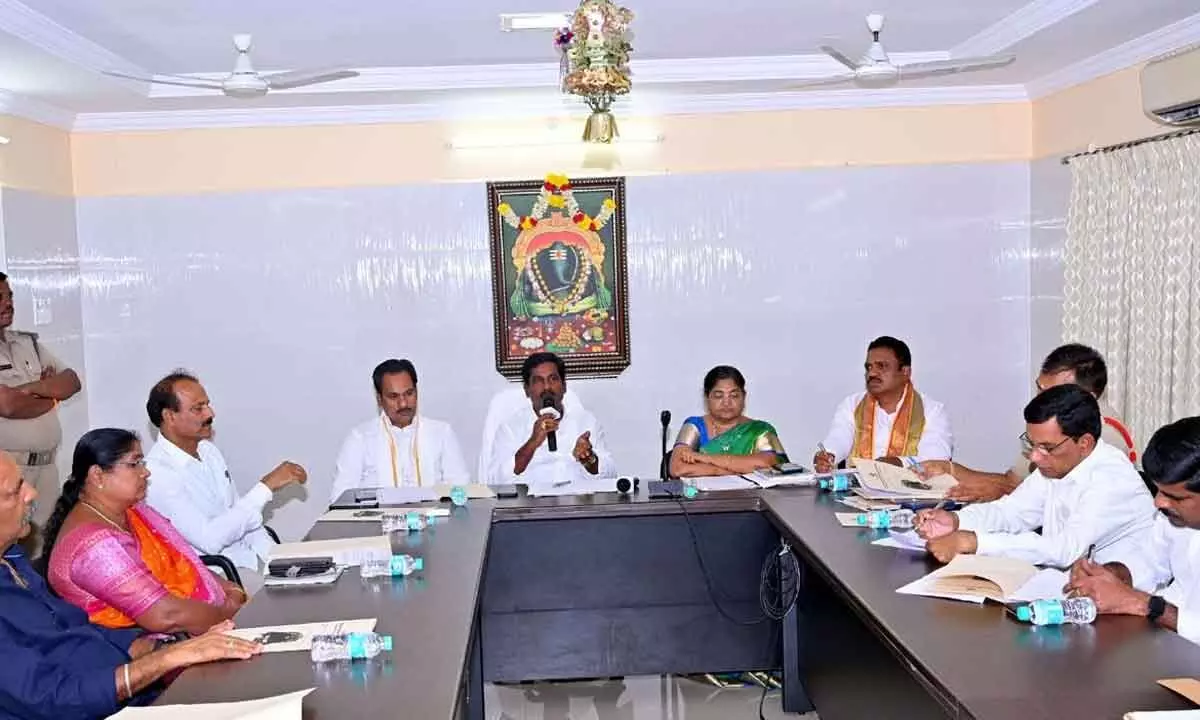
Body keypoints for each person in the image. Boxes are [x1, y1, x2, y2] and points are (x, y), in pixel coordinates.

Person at [0, 449, 261, 720]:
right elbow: (55, 698)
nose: (32, 493)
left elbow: (75, 628)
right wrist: (165, 660)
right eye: (15, 491)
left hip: (130, 692)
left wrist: (168, 646)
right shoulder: (91, 543)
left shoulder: (13, 559)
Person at [914, 385, 1158, 588]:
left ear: (1084, 443)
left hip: (1123, 605)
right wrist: (956, 521)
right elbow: (1012, 512)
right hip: (1065, 587)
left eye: (1047, 448)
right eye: (1032, 444)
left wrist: (973, 541)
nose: (1035, 458)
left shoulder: (1112, 479)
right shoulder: (1056, 465)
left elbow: (1064, 548)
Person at [43, 429, 245, 636]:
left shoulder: (133, 512)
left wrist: (230, 590)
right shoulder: (94, 547)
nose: (145, 472)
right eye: (134, 464)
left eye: (143, 463)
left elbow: (183, 562)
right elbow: (166, 616)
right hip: (145, 651)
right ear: (97, 475)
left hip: (198, 626)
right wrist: (226, 615)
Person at [143, 371, 306, 594]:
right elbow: (210, 541)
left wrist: (279, 558)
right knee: (299, 598)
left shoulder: (208, 451)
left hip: (247, 562)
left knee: (319, 579)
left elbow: (243, 518)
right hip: (217, 577)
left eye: (207, 404)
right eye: (198, 408)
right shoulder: (157, 474)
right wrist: (265, 488)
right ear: (169, 417)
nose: (210, 413)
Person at [920, 343, 1137, 502]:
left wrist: (999, 492)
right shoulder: (1049, 426)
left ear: (1086, 396)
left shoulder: (1104, 436)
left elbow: (1050, 501)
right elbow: (1013, 481)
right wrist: (952, 470)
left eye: (1051, 393)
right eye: (1039, 388)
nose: (1038, 399)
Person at [1064, 417, 1200, 643]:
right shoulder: (1174, 518)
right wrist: (1114, 574)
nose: (1158, 503)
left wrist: (1145, 605)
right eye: (1158, 491)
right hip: (1169, 647)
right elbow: (1151, 558)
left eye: (1174, 497)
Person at [0, 272, 81, 554]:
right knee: (11, 550)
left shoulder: (27, 343)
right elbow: (7, 405)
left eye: (9, 296)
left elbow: (71, 381)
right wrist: (50, 394)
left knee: (46, 549)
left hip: (46, 468)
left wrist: (31, 389)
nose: (8, 303)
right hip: (10, 472)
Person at [330, 359, 470, 503]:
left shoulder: (441, 433)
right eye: (393, 397)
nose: (403, 403)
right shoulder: (360, 438)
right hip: (377, 524)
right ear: (379, 399)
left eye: (409, 393)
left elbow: (462, 491)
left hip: (436, 523)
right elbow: (340, 499)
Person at [813, 336, 952, 472]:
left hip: (911, 493)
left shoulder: (932, 411)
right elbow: (839, 438)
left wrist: (898, 462)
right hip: (858, 492)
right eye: (868, 367)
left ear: (905, 372)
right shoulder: (852, 405)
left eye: (882, 366)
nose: (872, 373)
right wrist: (829, 455)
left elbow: (937, 460)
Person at [487, 352, 613, 486]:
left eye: (553, 379)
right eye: (538, 381)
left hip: (576, 501)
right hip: (529, 504)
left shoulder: (586, 421)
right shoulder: (510, 428)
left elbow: (610, 474)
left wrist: (589, 458)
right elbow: (496, 480)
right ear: (527, 390)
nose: (547, 387)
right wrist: (532, 443)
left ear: (564, 386)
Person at [670, 365, 788, 478]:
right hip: (703, 498)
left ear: (744, 396)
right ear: (707, 397)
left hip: (753, 496)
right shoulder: (694, 426)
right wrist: (721, 471)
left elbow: (767, 464)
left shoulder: (759, 430)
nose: (727, 403)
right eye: (718, 396)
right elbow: (678, 468)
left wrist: (705, 458)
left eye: (734, 395)